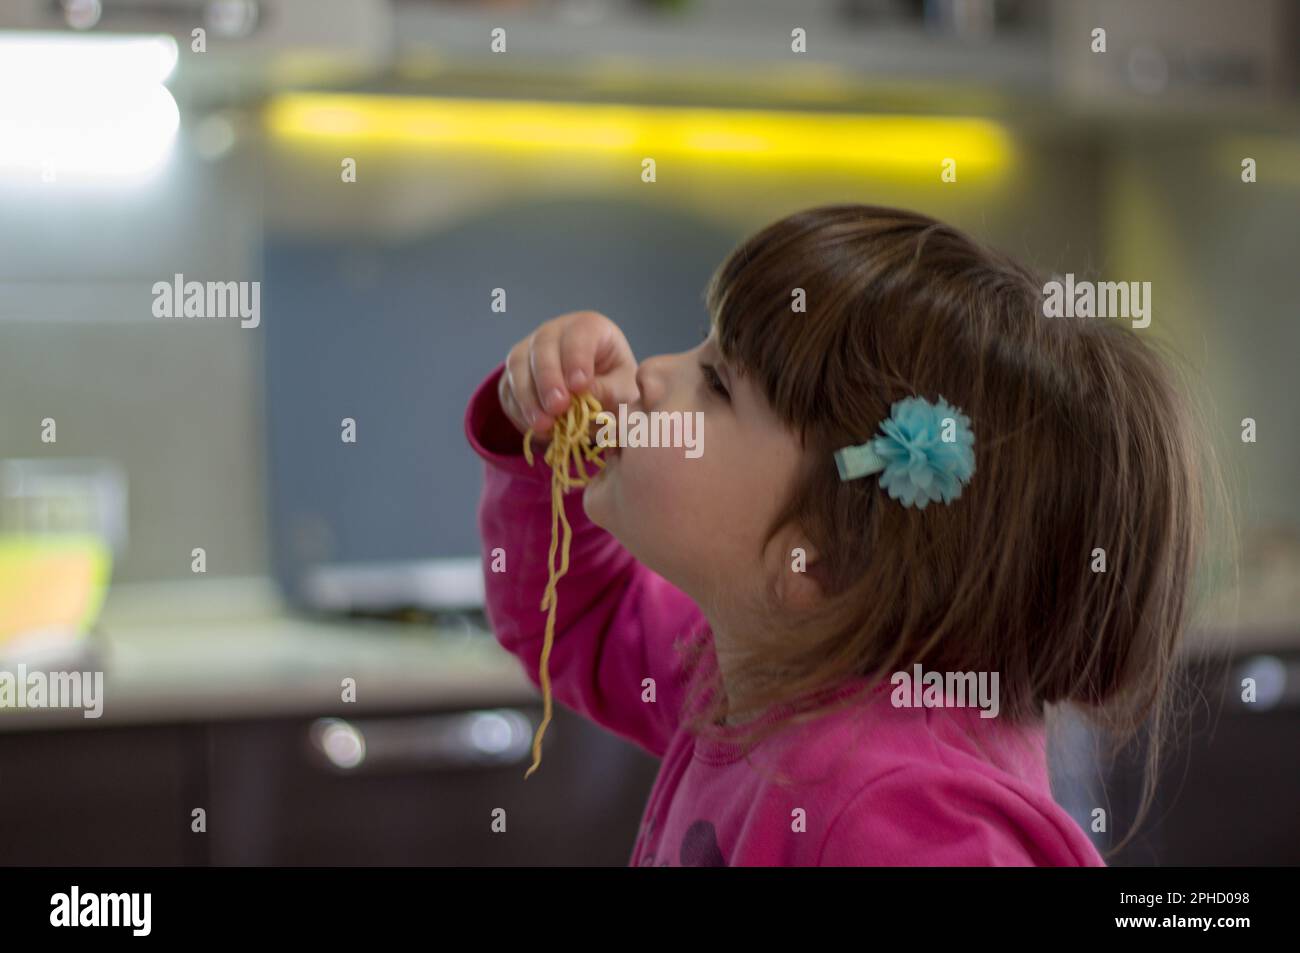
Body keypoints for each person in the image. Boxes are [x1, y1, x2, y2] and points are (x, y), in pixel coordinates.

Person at [462, 203, 1210, 866]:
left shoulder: (902, 811)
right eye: (703, 346)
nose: (652, 372)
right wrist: (545, 442)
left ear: (817, 553)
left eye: (718, 385)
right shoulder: (768, 660)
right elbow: (577, 619)